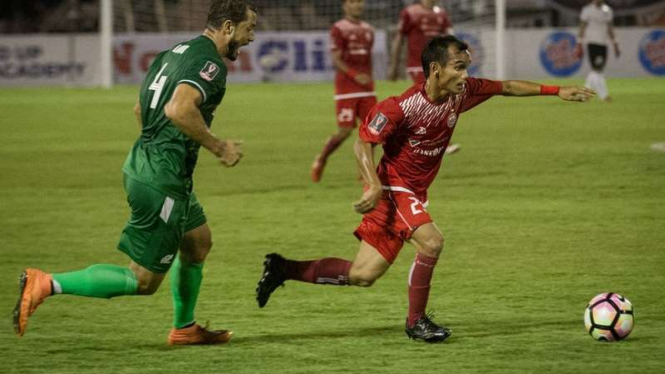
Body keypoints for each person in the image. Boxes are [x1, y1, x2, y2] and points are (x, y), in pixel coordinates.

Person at [257, 35, 594, 343]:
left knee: (363, 275)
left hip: (410, 194)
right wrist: (372, 184)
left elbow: (506, 87)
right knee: (432, 242)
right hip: (392, 189)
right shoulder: (400, 107)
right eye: (458, 68)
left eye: (467, 68)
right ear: (436, 69)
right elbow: (363, 143)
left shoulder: (461, 94)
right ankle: (416, 322)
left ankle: (283, 268)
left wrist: (555, 91)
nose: (465, 75)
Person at [13, 0, 257, 345]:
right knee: (142, 281)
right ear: (228, 27)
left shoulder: (174, 52)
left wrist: (161, 151)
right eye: (249, 29)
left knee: (198, 243)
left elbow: (140, 107)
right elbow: (177, 108)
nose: (251, 38)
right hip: (162, 179)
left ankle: (185, 328)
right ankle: (47, 283)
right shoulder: (210, 63)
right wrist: (219, 147)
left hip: (151, 166)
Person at [311, 0, 376, 183]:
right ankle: (321, 158)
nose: (358, 5)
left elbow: (368, 59)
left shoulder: (369, 29)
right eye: (353, 2)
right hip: (346, 89)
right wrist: (355, 75)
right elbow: (336, 59)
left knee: (373, 130)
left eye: (360, 1)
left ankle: (365, 172)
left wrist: (369, 81)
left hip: (367, 90)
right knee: (345, 131)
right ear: (345, 5)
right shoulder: (339, 28)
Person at [387, 0, 459, 155]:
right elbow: (399, 38)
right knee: (432, 99)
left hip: (437, 65)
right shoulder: (410, 13)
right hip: (417, 65)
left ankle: (404, 134)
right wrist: (393, 65)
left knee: (436, 100)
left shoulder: (441, 13)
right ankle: (441, 142)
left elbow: (450, 36)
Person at [577, 0, 620, 102]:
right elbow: (582, 27)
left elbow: (610, 28)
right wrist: (579, 43)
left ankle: (584, 95)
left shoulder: (607, 10)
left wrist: (615, 43)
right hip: (592, 42)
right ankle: (604, 96)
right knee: (597, 69)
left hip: (603, 43)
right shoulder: (587, 10)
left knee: (596, 69)